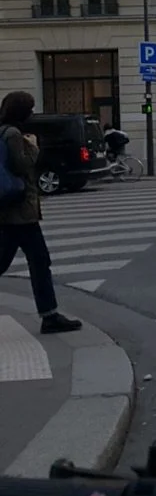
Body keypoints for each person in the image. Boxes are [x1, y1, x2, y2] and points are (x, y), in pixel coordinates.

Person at [0, 91, 82, 334]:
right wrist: (33, 147)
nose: (32, 113)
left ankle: (50, 315)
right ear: (21, 111)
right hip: (20, 211)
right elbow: (22, 165)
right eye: (30, 108)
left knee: (32, 260)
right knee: (39, 261)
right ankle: (49, 316)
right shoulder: (13, 134)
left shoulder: (2, 131)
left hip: (10, 209)